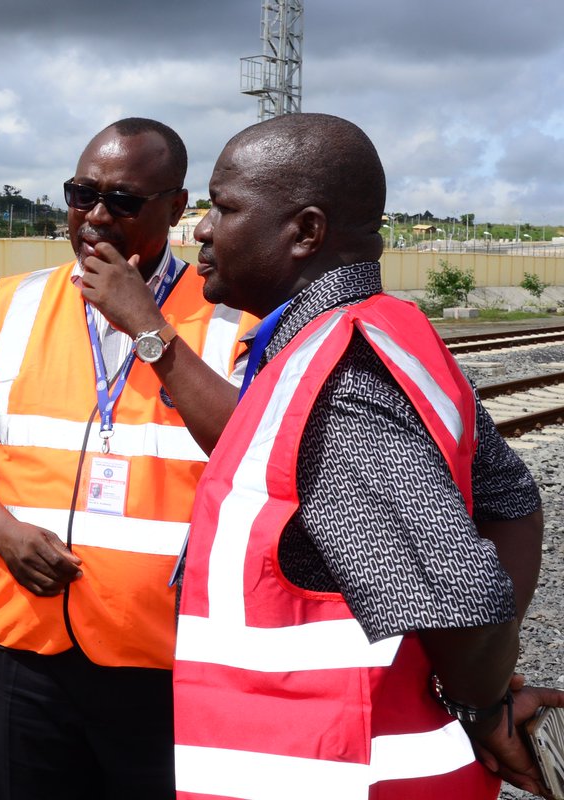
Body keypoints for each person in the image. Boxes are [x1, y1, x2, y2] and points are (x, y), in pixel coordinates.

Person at [172, 112, 561, 799]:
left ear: (307, 233)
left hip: (338, 773)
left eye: (224, 207)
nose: (202, 228)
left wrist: (482, 702)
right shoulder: (382, 332)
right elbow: (513, 501)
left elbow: (461, 601)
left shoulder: (339, 381)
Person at [0, 118, 257, 799]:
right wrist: (5, 533)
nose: (97, 215)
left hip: (165, 653)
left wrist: (146, 324)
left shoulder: (235, 317)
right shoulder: (12, 304)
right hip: (24, 643)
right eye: (82, 193)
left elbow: (258, 455)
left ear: (174, 207)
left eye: (125, 201)